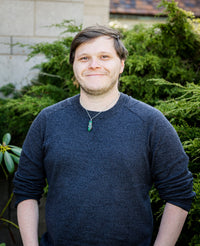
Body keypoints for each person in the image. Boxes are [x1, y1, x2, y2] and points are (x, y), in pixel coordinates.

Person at [14, 25, 195, 246]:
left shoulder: (151, 123)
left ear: (121, 64)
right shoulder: (48, 120)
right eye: (84, 58)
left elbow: (179, 194)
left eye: (104, 56)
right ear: (73, 65)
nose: (94, 65)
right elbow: (26, 190)